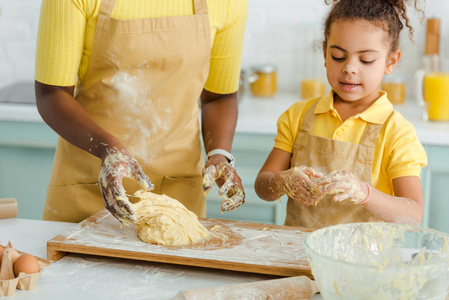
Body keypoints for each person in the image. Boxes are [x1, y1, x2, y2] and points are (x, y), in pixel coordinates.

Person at [35, 0, 247, 224]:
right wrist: (108, 149)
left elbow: (219, 96)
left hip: (177, 199)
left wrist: (219, 153)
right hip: (89, 189)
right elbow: (52, 93)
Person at [254, 0, 427, 229]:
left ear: (390, 61)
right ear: (325, 53)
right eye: (338, 56)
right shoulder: (298, 116)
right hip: (297, 256)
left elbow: (413, 214)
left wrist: (363, 193)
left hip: (365, 262)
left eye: (366, 60)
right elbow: (262, 187)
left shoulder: (396, 132)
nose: (350, 68)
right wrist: (283, 181)